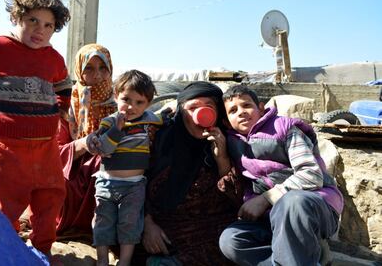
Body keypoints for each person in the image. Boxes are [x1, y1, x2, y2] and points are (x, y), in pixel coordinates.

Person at [0, 0, 71, 255]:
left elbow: (64, 86)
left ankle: (43, 250)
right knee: (7, 205)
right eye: (34, 20)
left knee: (50, 198)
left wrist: (59, 113)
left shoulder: (54, 58)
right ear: (17, 16)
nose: (41, 30)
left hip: (47, 146)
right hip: (8, 147)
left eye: (49, 25)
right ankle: (10, 252)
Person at [219, 84, 344, 266]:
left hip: (313, 206)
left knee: (292, 202)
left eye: (246, 105)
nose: (241, 112)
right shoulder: (232, 142)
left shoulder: (284, 128)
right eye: (232, 110)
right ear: (226, 121)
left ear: (260, 109)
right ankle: (310, 255)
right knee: (231, 240)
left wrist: (264, 199)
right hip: (271, 218)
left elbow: (311, 174)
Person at [132, 81, 243, 266]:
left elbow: (238, 200)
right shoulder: (158, 140)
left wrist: (222, 158)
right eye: (193, 108)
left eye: (209, 107)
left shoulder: (233, 141)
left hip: (212, 235)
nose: (201, 114)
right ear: (180, 113)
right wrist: (147, 224)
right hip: (161, 231)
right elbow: (131, 184)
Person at [87, 69, 168, 266]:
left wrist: (169, 111)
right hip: (107, 183)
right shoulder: (109, 122)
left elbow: (164, 119)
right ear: (116, 96)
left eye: (139, 102)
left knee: (130, 224)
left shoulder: (150, 119)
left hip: (134, 186)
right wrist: (117, 129)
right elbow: (104, 149)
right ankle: (103, 260)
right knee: (103, 222)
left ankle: (124, 262)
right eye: (126, 99)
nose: (131, 107)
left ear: (148, 104)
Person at [55, 43, 116, 237]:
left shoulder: (121, 102)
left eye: (103, 68)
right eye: (89, 68)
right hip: (74, 162)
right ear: (79, 70)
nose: (97, 75)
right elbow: (54, 152)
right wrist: (81, 144)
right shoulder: (67, 105)